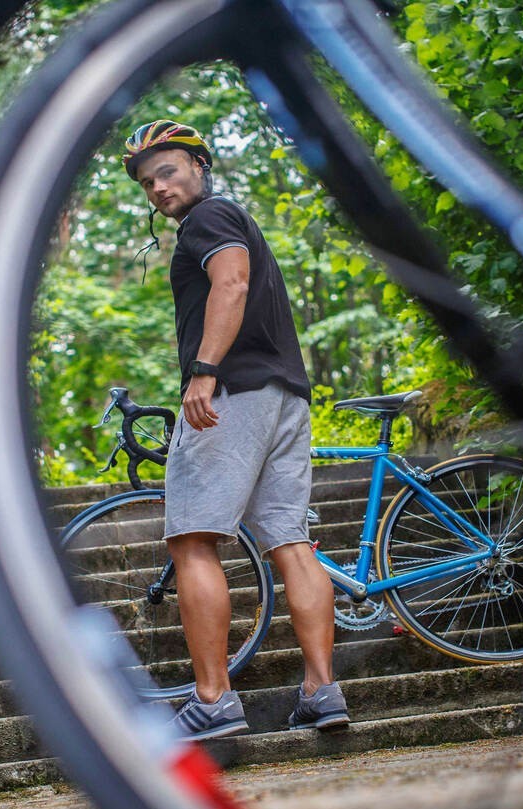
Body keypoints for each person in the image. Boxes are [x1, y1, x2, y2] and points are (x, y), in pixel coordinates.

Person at [122, 119, 348, 740]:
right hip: (284, 397)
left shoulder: (209, 218)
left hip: (232, 395)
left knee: (193, 541)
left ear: (200, 165)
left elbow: (233, 282)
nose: (158, 188)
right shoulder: (227, 218)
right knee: (289, 542)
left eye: (167, 171)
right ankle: (320, 689)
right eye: (147, 182)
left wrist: (202, 372)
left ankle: (214, 699)